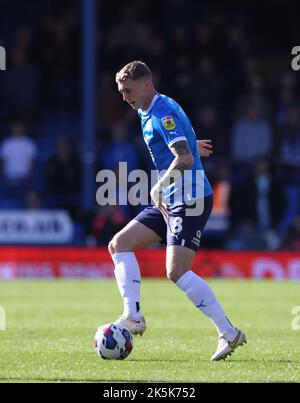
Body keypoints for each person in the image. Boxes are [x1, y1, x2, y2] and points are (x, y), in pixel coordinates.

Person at [109, 61, 246, 361]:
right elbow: (182, 148)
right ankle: (132, 316)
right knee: (119, 244)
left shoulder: (161, 112)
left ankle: (229, 332)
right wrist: (192, 148)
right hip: (171, 198)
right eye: (121, 92)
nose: (125, 98)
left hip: (191, 197)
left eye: (128, 90)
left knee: (176, 271)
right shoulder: (150, 110)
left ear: (146, 84)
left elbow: (183, 159)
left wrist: (158, 186)